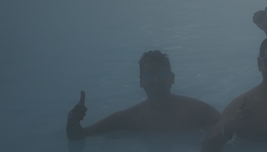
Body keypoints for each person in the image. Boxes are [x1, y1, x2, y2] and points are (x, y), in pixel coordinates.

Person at [66, 51, 220, 140]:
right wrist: (73, 121)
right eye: (148, 75)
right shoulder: (130, 118)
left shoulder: (199, 111)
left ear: (172, 78)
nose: (156, 79)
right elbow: (80, 136)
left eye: (162, 73)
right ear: (141, 82)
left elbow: (229, 130)